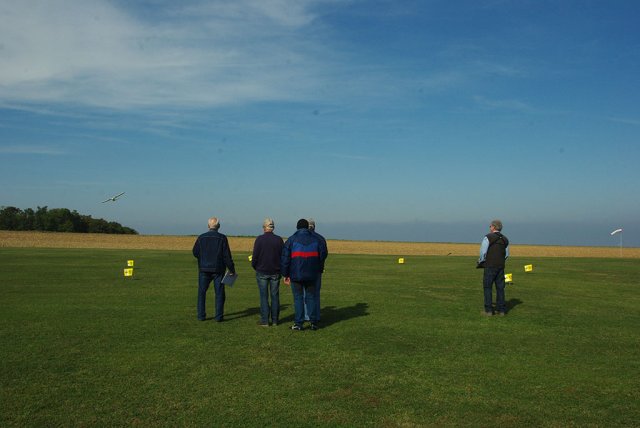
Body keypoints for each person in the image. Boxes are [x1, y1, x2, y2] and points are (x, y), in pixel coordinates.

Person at [281, 218, 328, 331]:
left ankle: (299, 323)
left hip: (296, 274)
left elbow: (285, 259)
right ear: (307, 227)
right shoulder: (316, 239)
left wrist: (285, 274)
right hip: (312, 273)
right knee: (311, 297)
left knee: (298, 298)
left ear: (297, 227)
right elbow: (323, 254)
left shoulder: (291, 240)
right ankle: (313, 322)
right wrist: (317, 266)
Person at [193, 217, 235, 322]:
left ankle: (201, 315)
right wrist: (231, 269)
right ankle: (218, 317)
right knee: (219, 293)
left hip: (203, 269)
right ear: (219, 226)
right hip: (218, 269)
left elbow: (195, 252)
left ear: (208, 226)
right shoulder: (222, 238)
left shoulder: (201, 237)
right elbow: (227, 256)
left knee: (202, 293)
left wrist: (203, 259)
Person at [251, 218, 284, 327]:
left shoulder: (259, 239)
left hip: (262, 271)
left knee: (264, 296)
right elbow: (283, 256)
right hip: (276, 272)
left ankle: (265, 320)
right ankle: (275, 320)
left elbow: (255, 256)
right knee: (275, 296)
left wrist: (255, 266)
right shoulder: (279, 240)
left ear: (264, 227)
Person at [477, 219, 510, 316]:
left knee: (487, 287)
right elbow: (507, 254)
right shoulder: (505, 239)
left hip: (490, 265)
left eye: (490, 226)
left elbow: (483, 252)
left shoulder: (488, 237)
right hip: (500, 266)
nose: (490, 227)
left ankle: (489, 310)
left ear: (493, 227)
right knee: (500, 288)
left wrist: (481, 261)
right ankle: (501, 310)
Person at [303, 218, 327, 322]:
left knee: (305, 293)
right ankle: (316, 316)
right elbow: (324, 254)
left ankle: (307, 315)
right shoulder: (320, 238)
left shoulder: (302, 238)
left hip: (304, 269)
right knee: (316, 293)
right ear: (314, 227)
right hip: (317, 270)